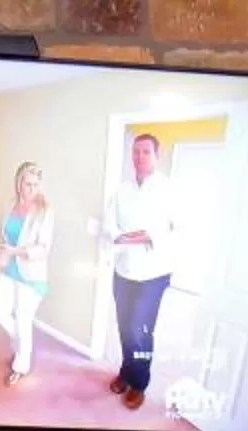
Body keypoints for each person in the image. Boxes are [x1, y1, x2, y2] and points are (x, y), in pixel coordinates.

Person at [102, 131, 175, 411]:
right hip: (124, 270)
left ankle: (139, 383)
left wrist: (147, 235)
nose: (139, 157)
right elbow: (110, 227)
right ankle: (126, 369)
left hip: (154, 275)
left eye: (146, 152)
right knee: (124, 327)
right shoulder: (122, 190)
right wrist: (132, 236)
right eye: (136, 152)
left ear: (157, 156)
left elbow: (177, 228)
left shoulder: (168, 190)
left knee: (141, 331)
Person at [0, 161, 52, 389]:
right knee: (0, 313)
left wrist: (15, 252)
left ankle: (20, 365)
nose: (31, 189)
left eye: (35, 185)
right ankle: (21, 348)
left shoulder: (45, 211)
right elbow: (7, 237)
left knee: (23, 319)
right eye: (27, 184)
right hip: (9, 270)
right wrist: (2, 253)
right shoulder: (10, 205)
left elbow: (43, 249)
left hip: (31, 274)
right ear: (19, 183)